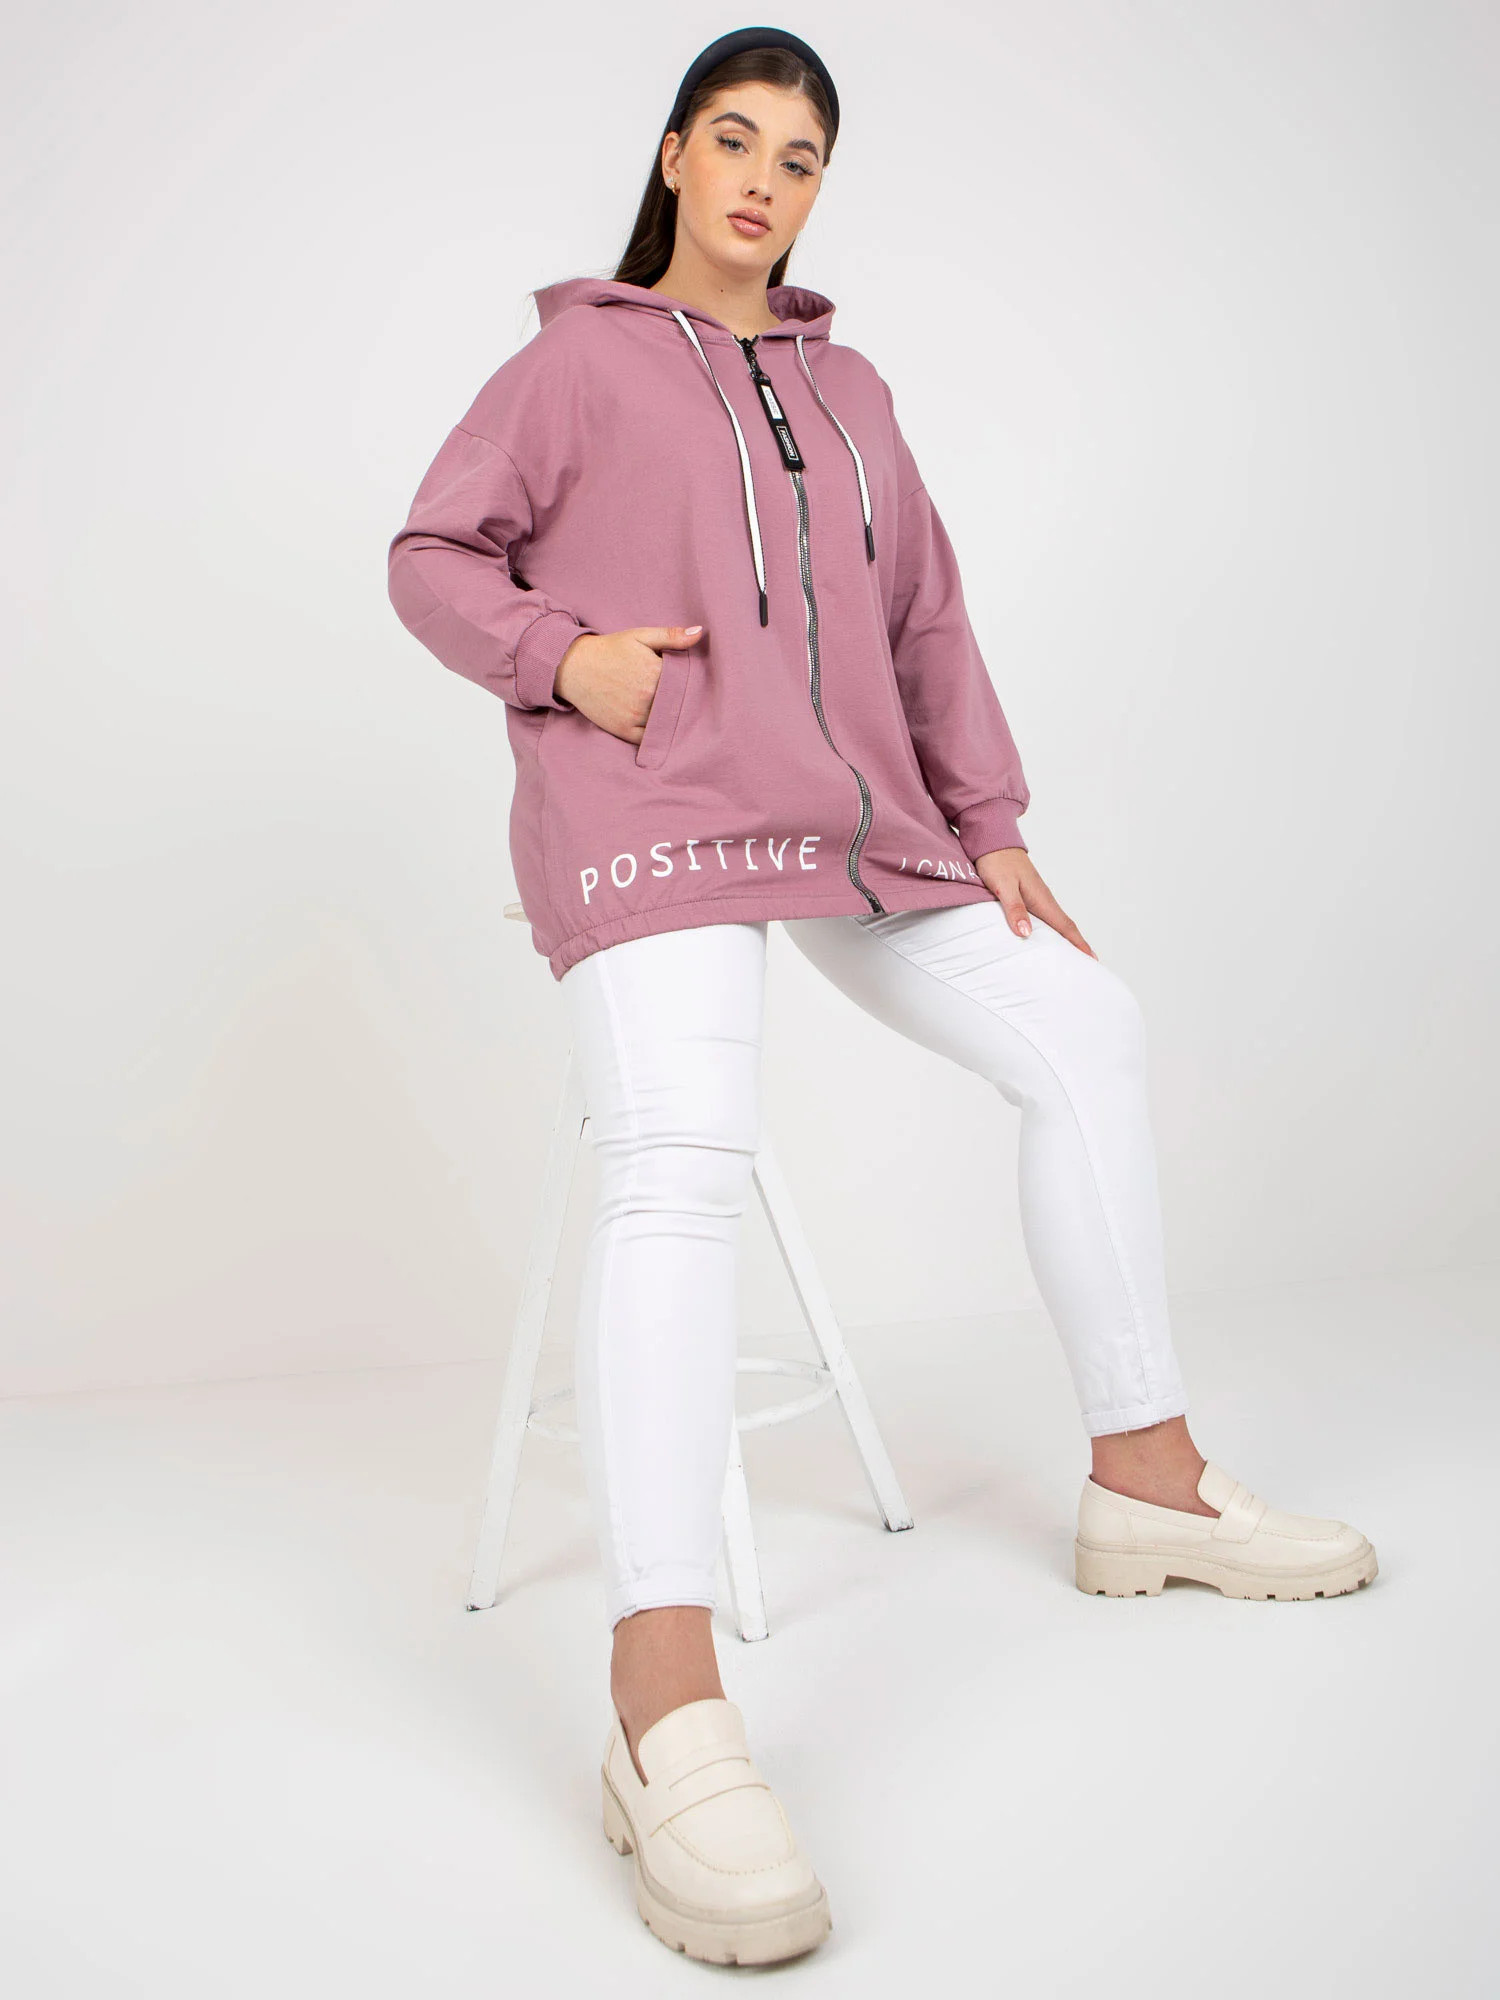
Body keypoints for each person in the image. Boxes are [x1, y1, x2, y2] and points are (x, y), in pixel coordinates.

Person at [387, 25, 1378, 1968]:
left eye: (801, 156)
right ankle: (663, 1697)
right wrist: (566, 659)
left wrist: (985, 820)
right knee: (681, 1156)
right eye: (736, 138)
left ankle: (1146, 1479)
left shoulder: (850, 390)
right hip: (655, 805)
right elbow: (431, 555)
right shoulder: (573, 363)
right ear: (674, 156)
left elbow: (924, 609)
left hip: (852, 818)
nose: (765, 179)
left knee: (1086, 1029)